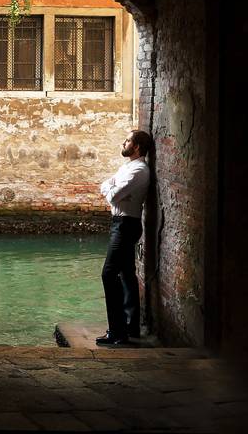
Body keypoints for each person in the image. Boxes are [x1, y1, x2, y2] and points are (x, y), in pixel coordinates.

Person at [96, 129, 152, 346]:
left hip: (126, 225)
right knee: (127, 274)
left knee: (108, 274)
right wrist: (111, 189)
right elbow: (106, 186)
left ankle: (117, 332)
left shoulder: (138, 170)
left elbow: (112, 195)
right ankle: (130, 327)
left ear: (136, 147)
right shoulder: (127, 167)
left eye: (127, 140)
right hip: (122, 223)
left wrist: (111, 190)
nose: (124, 142)